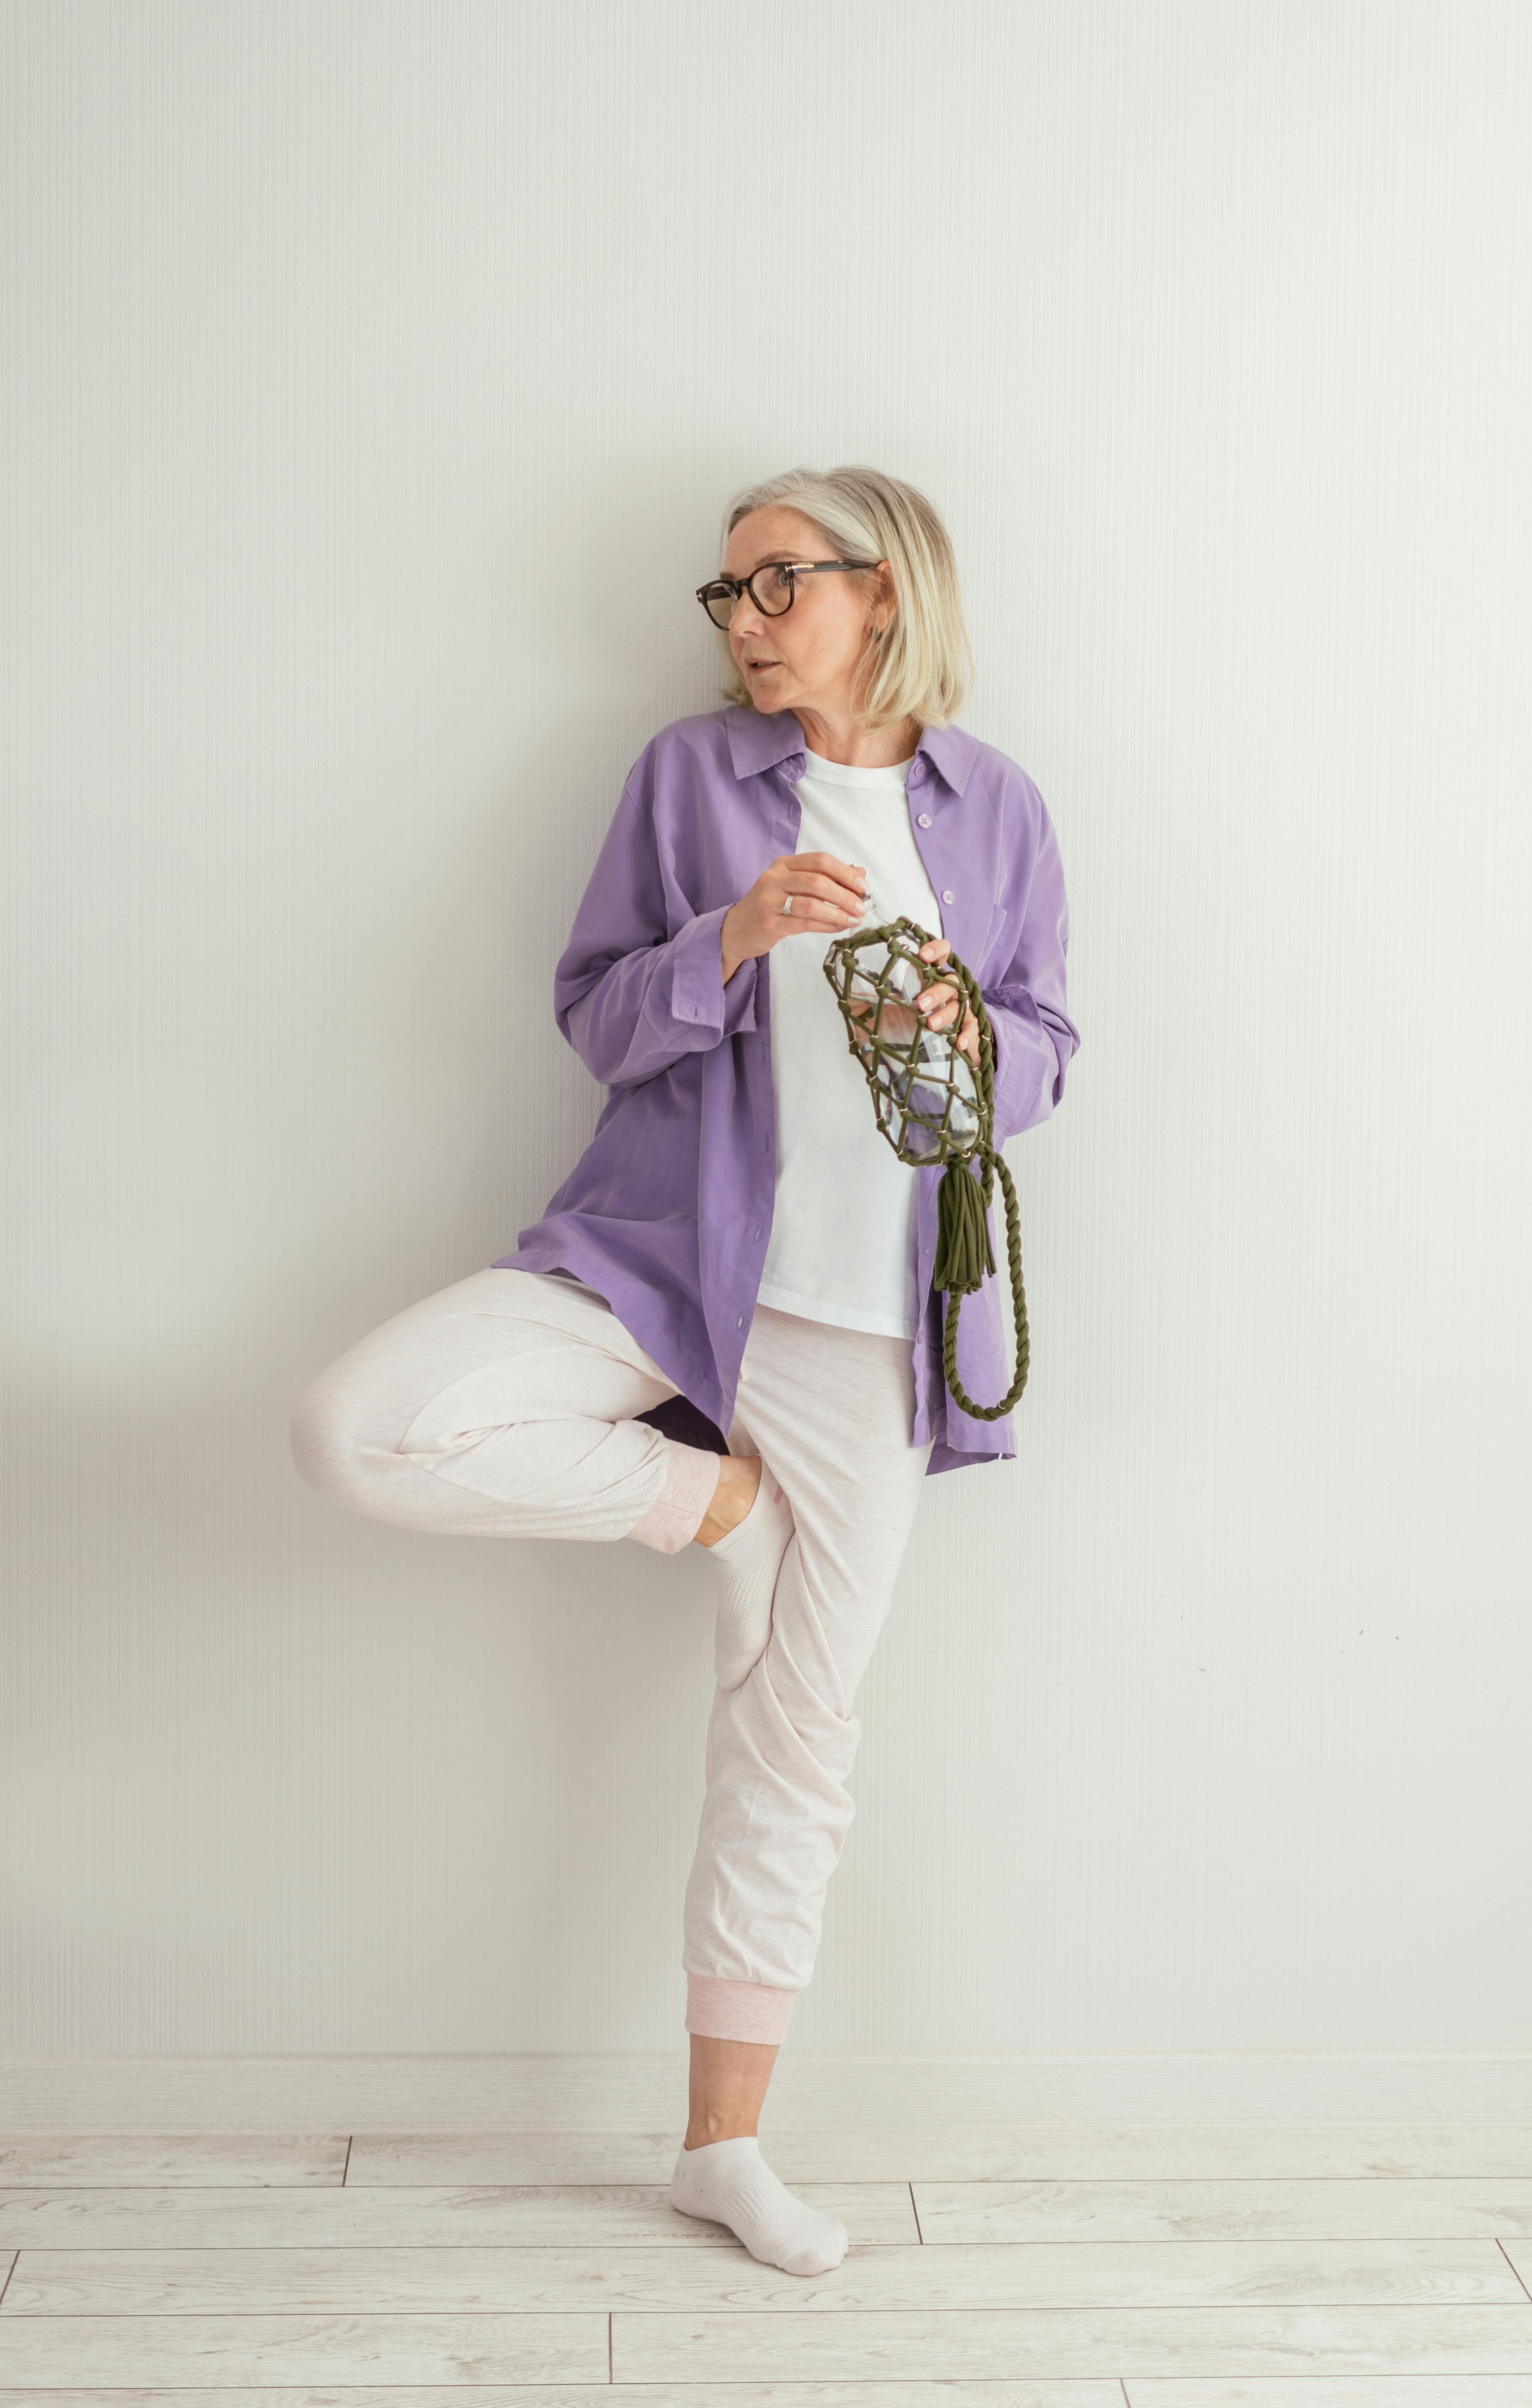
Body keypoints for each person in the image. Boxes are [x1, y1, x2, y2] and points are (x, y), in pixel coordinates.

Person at [289, 462, 1079, 2276]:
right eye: (724, 593)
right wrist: (729, 941)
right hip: (659, 1268)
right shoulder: (689, 779)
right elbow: (591, 1010)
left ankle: (720, 2145)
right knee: (361, 1427)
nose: (742, 618)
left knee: (797, 1734)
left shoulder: (998, 805)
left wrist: (974, 1029)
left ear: (885, 591)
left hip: (873, 1323)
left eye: (776, 581)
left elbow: (1044, 1053)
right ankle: (705, 1504)